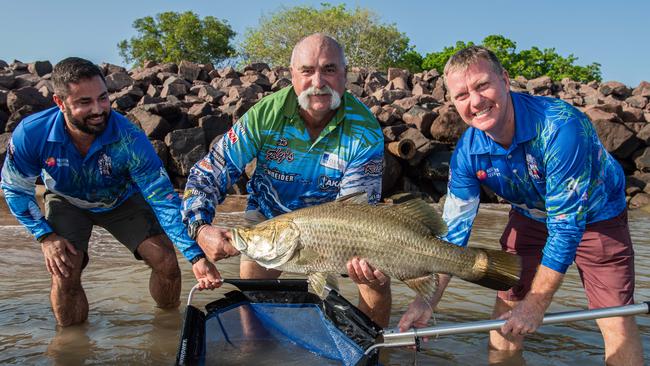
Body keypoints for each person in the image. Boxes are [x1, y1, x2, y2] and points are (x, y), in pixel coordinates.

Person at [397, 46, 643, 364]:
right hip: (529, 215)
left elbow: (566, 227)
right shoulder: (467, 153)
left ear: (505, 79)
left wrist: (538, 302)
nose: (475, 101)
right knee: (507, 315)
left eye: (482, 85)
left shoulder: (560, 127)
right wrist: (427, 300)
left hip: (598, 215)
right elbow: (453, 234)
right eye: (461, 95)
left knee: (616, 318)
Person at [181, 33, 391, 327]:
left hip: (335, 230)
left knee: (375, 282)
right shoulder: (265, 115)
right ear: (292, 75)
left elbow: (355, 210)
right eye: (307, 71)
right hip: (269, 223)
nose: (318, 82)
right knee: (254, 318)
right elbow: (207, 173)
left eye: (329, 69)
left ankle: (372, 351)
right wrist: (201, 227)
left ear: (345, 75)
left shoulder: (365, 131)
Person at [0, 57, 206, 327]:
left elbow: (163, 200)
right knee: (65, 272)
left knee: (166, 261)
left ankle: (167, 324)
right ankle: (71, 343)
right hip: (66, 200)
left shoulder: (129, 139)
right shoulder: (32, 134)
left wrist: (195, 256)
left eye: (103, 98)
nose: (98, 110)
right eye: (84, 102)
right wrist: (46, 236)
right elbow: (15, 189)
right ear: (60, 103)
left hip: (121, 199)